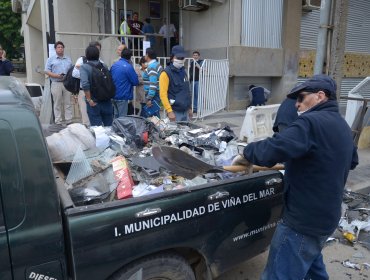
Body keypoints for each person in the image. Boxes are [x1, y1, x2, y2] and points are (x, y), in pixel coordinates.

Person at [232, 74, 359, 280]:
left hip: (302, 221)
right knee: (312, 265)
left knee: (279, 275)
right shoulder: (342, 126)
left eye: (301, 98)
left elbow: (271, 150)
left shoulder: (310, 123)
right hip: (326, 217)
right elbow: (352, 161)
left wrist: (247, 152)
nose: (297, 105)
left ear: (320, 96)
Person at [80, 45, 113, 126]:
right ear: (98, 54)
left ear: (87, 55)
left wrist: (89, 99)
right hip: (107, 101)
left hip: (94, 102)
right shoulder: (104, 66)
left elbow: (85, 84)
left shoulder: (84, 67)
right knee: (109, 127)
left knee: (97, 130)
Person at [72, 41, 103, 126]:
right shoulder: (81, 60)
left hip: (97, 92)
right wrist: (86, 75)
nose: (97, 52)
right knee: (85, 116)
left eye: (98, 50)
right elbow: (74, 73)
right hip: (83, 91)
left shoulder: (101, 62)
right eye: (96, 49)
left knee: (96, 115)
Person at [159, 45, 192, 122]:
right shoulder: (165, 73)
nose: (180, 60)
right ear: (172, 57)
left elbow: (187, 91)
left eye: (182, 58)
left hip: (185, 111)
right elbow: (163, 94)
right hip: (174, 112)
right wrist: (169, 111)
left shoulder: (184, 71)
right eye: (178, 58)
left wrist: (189, 108)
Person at [44, 41, 73, 124]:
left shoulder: (68, 58)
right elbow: (47, 71)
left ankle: (69, 120)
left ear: (63, 49)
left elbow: (71, 70)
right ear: (55, 49)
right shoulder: (50, 59)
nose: (60, 49)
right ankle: (58, 121)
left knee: (68, 102)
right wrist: (56, 75)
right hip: (56, 83)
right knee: (57, 103)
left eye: (61, 47)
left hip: (66, 83)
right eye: (58, 47)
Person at [110, 49, 139, 118]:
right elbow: (135, 82)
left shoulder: (114, 65)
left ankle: (115, 128)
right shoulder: (128, 67)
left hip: (113, 94)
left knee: (116, 116)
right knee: (122, 118)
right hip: (123, 95)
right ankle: (120, 129)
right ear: (130, 57)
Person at [142, 48, 163, 118]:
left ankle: (158, 128)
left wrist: (149, 98)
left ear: (147, 55)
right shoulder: (157, 64)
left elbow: (153, 83)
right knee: (154, 115)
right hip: (156, 93)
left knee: (154, 117)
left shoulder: (152, 67)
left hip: (153, 94)